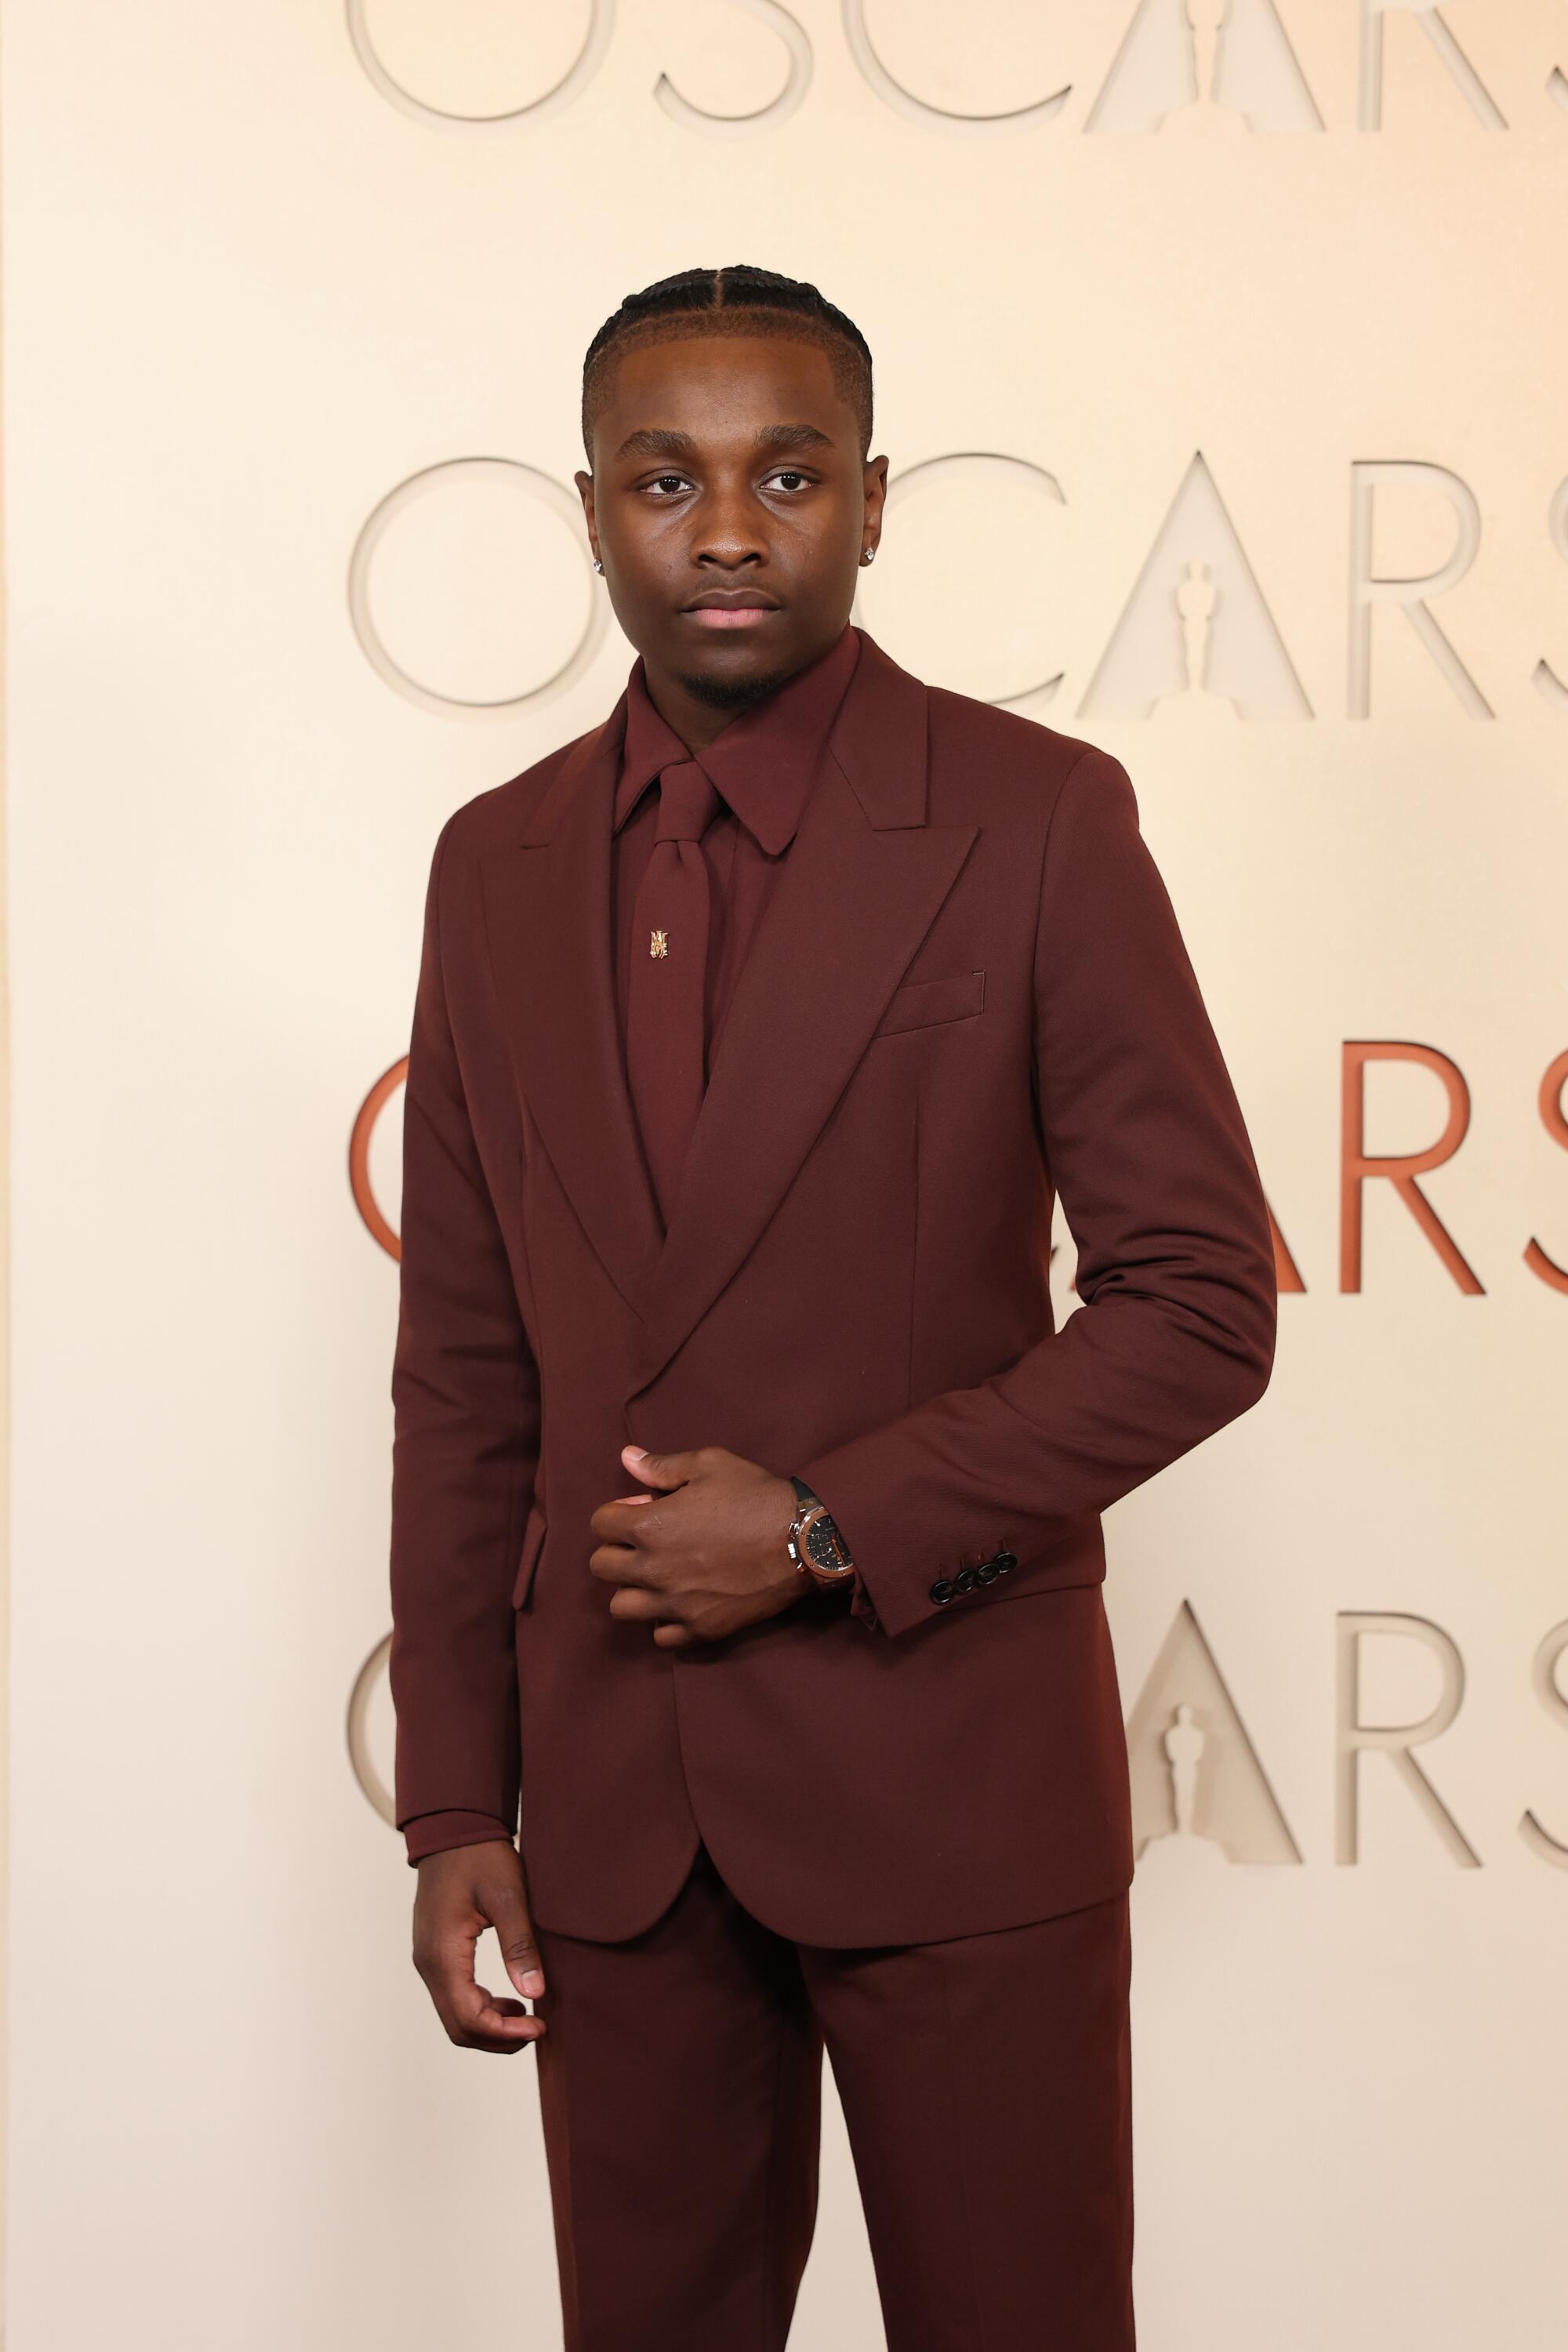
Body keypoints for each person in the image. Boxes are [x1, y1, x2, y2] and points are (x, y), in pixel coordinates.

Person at [387, 262, 1277, 2351]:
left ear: (873, 505)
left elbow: (1200, 1301)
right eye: (663, 477)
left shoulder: (1034, 824)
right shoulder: (491, 864)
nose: (722, 529)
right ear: (588, 509)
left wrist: (819, 1525)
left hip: (952, 1779)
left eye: (786, 474)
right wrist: (452, 1803)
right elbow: (463, 1374)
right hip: (611, 1822)